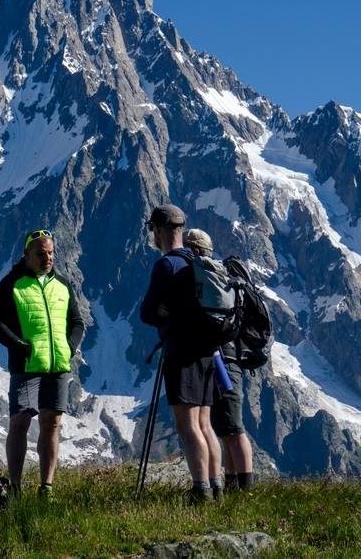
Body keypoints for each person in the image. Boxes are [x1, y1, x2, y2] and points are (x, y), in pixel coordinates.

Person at [0, 228, 84, 498]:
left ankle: (47, 487)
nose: (48, 258)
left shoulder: (62, 285)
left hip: (57, 366)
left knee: (52, 423)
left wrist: (70, 346)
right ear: (27, 255)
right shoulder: (12, 284)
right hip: (26, 366)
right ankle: (16, 487)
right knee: (20, 422)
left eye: (51, 253)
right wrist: (19, 346)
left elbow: (77, 322)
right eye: (41, 254)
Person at [139, 205, 221, 503]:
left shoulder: (166, 265)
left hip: (181, 353)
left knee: (187, 425)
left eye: (152, 230)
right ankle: (217, 486)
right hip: (208, 353)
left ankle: (201, 490)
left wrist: (163, 312)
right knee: (205, 423)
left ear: (158, 230)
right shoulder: (197, 261)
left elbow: (147, 312)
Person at [183, 228, 255, 493]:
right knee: (225, 427)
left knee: (233, 428)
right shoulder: (224, 279)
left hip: (224, 360)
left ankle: (244, 490)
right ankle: (235, 485)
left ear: (196, 250)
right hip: (228, 358)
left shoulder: (208, 278)